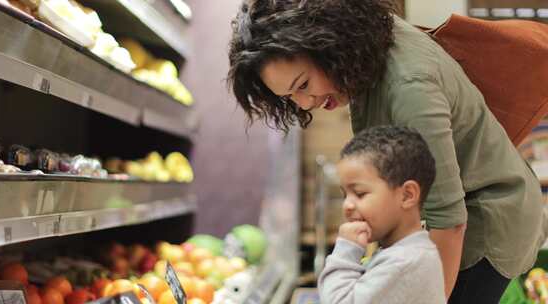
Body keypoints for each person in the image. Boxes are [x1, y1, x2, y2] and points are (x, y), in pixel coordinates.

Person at [227, 0, 548, 302]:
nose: (304, 103)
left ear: (326, 42)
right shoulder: (368, 43)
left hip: (488, 219)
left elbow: (449, 221)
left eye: (304, 84)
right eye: (289, 96)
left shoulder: (410, 88)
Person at [318, 125, 445, 304]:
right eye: (345, 194)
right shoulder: (402, 253)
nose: (347, 205)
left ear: (407, 195)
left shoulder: (405, 262)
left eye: (360, 193)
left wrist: (346, 250)